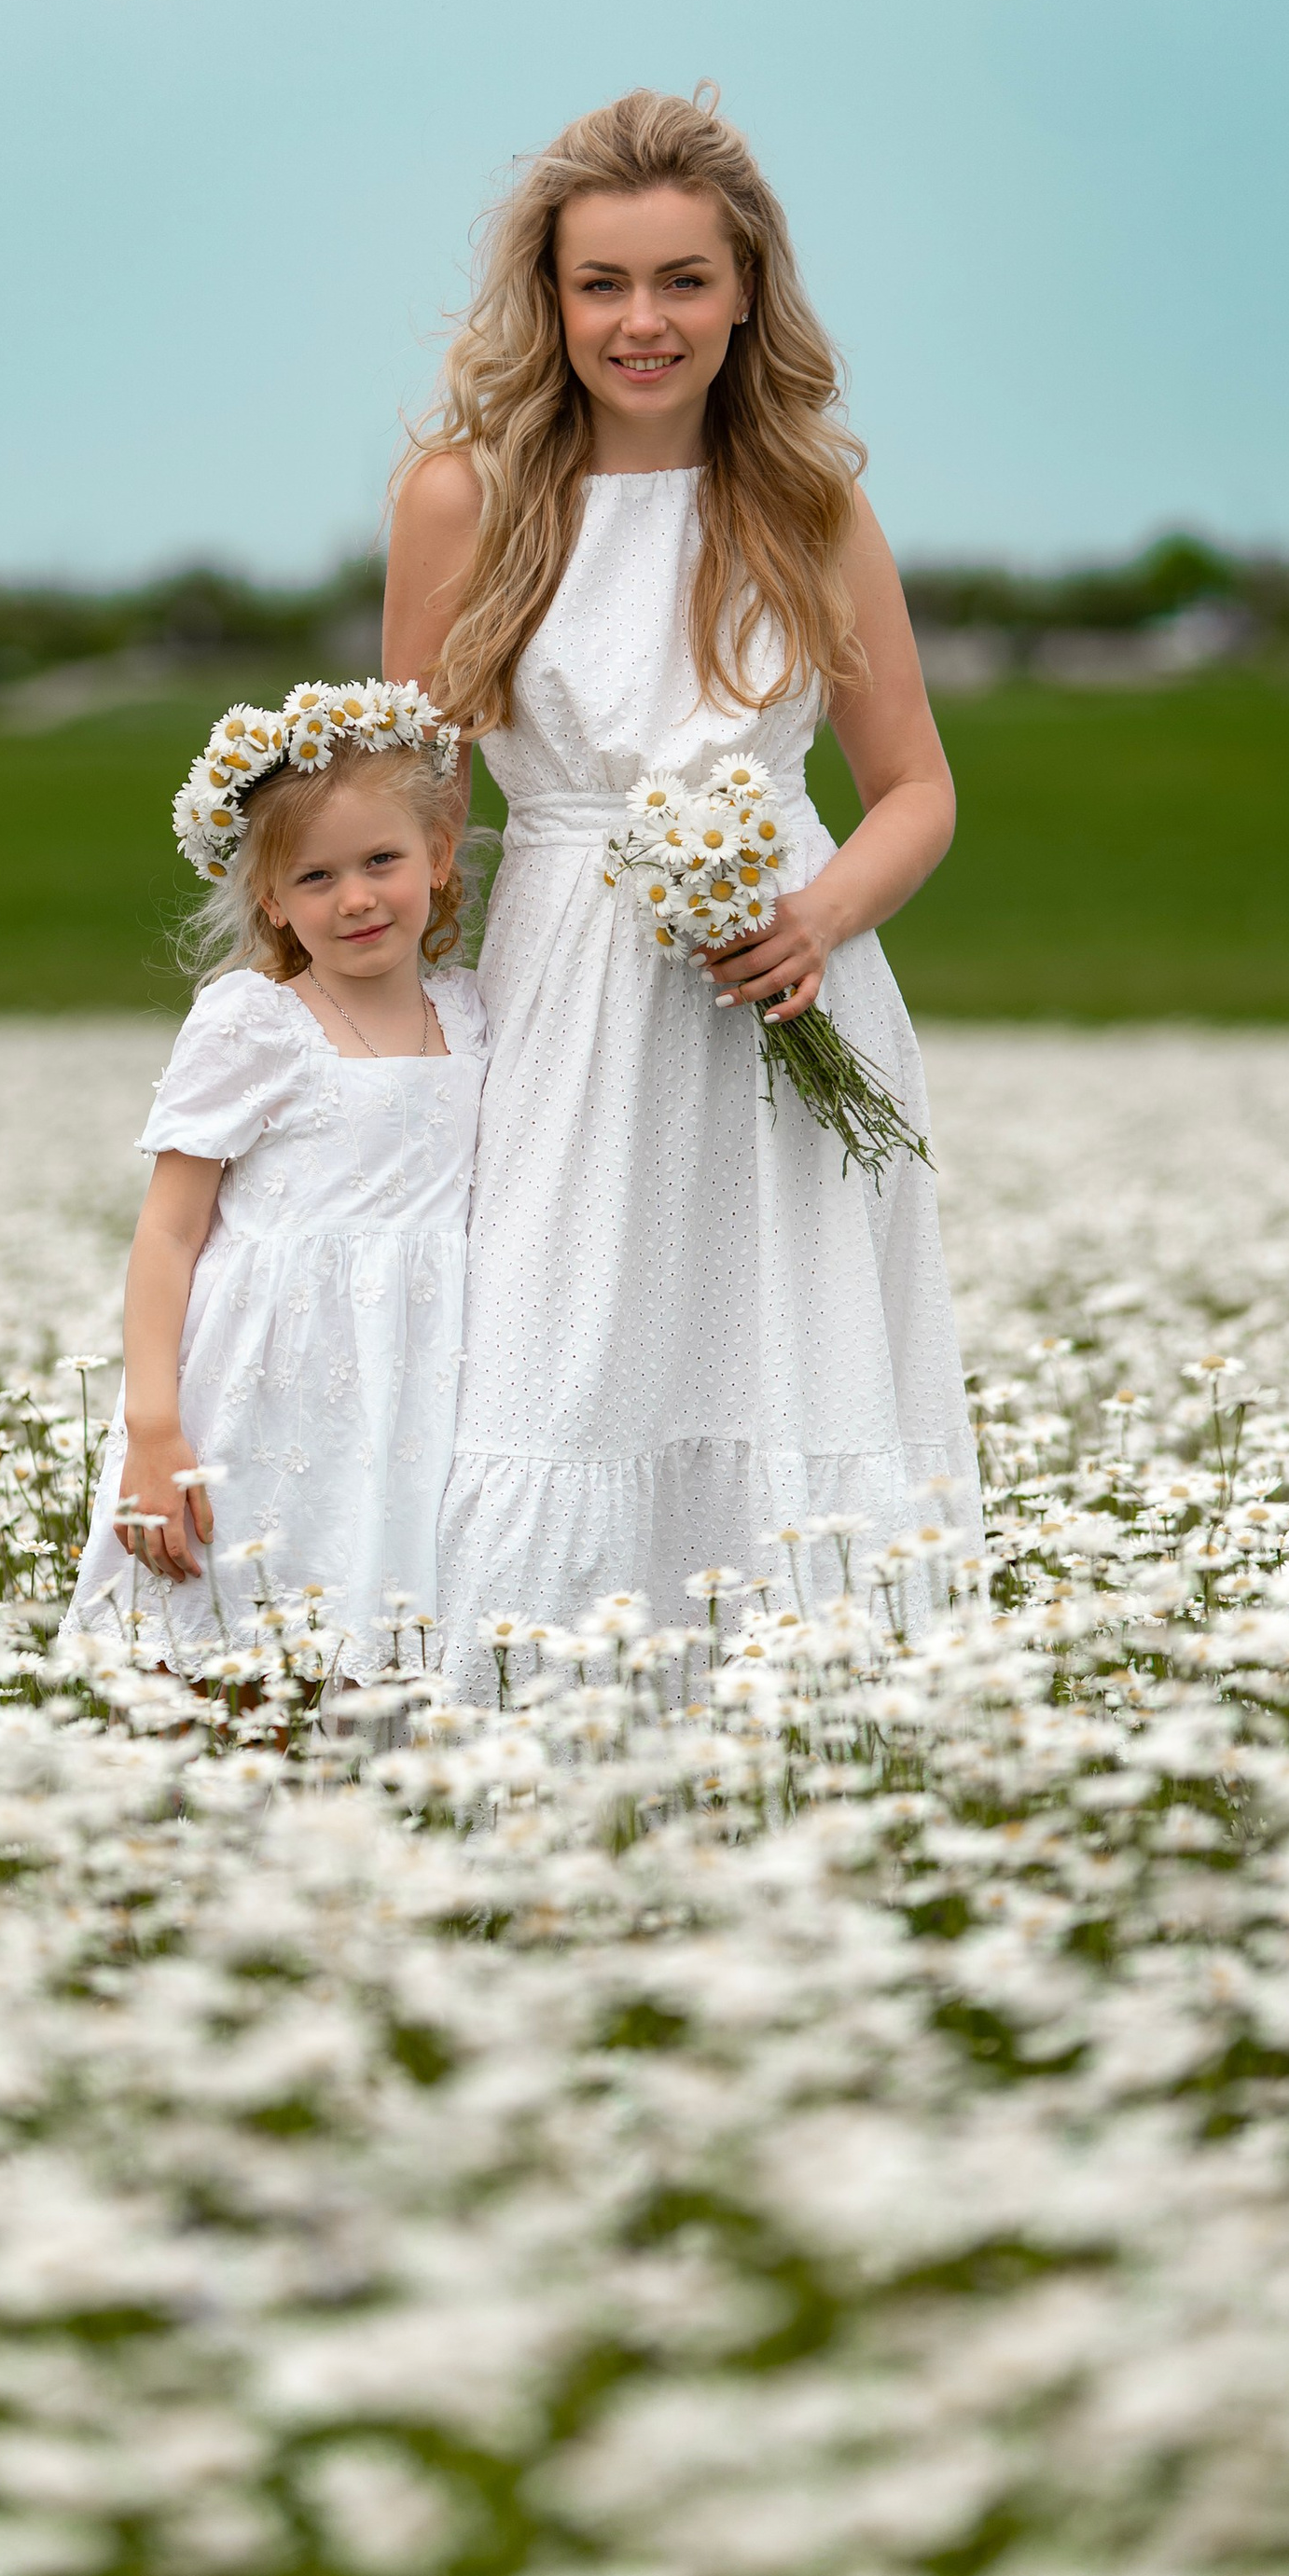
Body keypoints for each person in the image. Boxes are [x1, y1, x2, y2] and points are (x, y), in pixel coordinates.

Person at [383, 88, 980, 1676]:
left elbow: (916, 790)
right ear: (552, 298)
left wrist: (821, 917)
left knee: (790, 1359)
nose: (643, 322)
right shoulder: (465, 497)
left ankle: (819, 1733)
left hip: (787, 993)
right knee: (548, 1353)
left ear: (745, 294)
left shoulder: (810, 505)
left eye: (682, 282)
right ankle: (519, 1719)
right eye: (604, 285)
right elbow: (413, 809)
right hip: (563, 994)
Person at [63, 681, 487, 1673]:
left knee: (372, 1646)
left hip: (417, 1374)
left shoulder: (469, 1011)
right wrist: (153, 1429)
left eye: (382, 860)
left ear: (435, 853)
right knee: (230, 1644)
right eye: (315, 878)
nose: (355, 897)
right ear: (271, 900)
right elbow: (169, 1233)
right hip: (262, 1383)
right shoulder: (253, 1021)